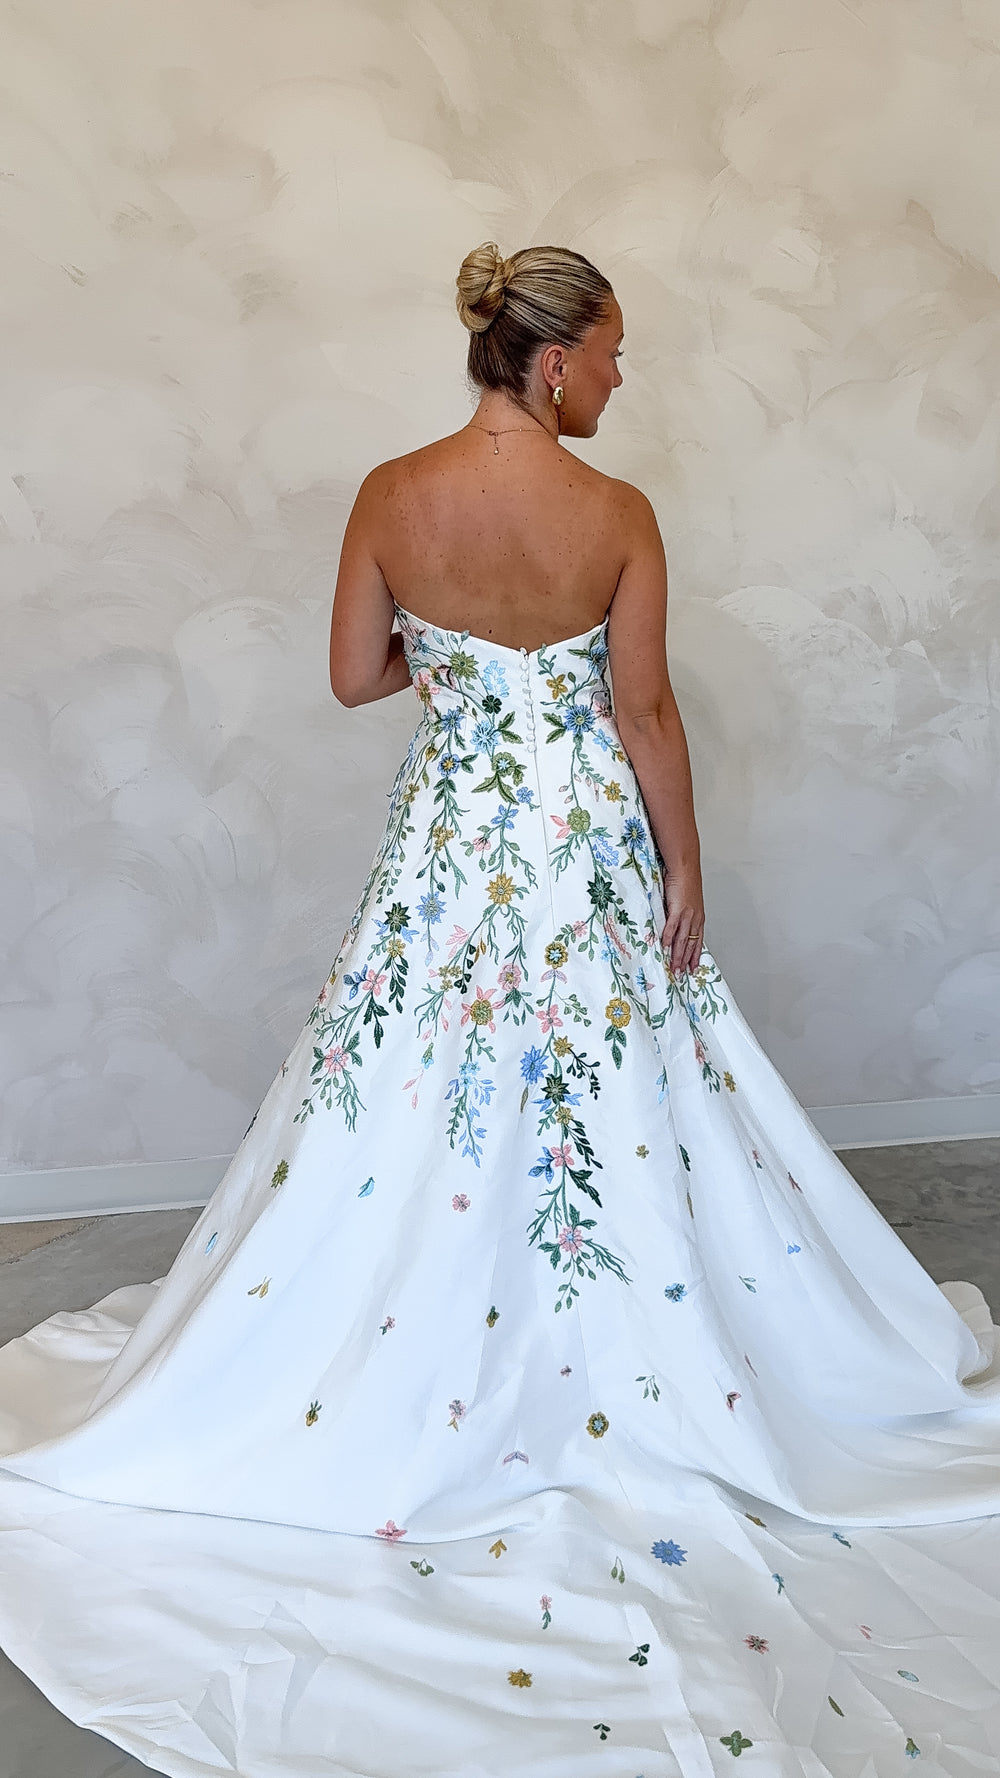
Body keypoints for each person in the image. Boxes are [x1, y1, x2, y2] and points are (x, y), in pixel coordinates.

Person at [0, 240, 998, 1777]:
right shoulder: (617, 514)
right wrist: (684, 865)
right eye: (612, 351)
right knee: (625, 1098)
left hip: (450, 857)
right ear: (550, 360)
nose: (621, 375)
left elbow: (353, 676)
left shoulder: (392, 494)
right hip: (583, 854)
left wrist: (452, 668)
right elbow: (641, 708)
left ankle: (418, 1352)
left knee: (409, 1094)